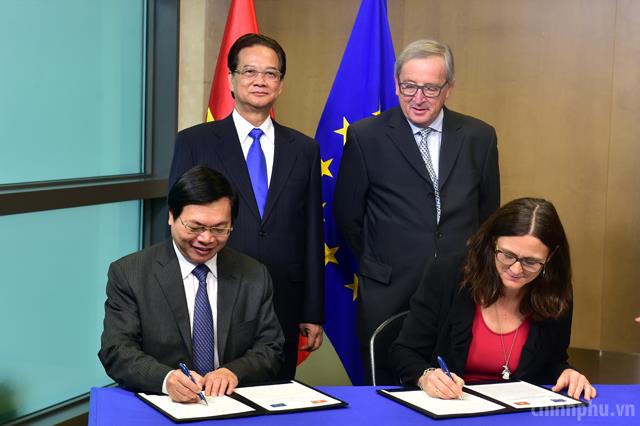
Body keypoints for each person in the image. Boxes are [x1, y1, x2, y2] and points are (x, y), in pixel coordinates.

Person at [333, 39, 500, 375]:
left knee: (452, 385)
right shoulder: (367, 137)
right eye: (409, 86)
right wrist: (383, 259)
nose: (418, 98)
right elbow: (348, 216)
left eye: (430, 88)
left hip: (459, 286)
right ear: (396, 85)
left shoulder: (479, 137)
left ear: (449, 88)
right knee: (386, 385)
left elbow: (488, 215)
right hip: (388, 288)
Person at [168, 33, 324, 380]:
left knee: (275, 393)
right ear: (231, 79)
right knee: (213, 390)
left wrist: (312, 310)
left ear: (280, 84)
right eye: (250, 71)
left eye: (271, 73)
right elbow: (177, 222)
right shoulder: (195, 141)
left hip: (282, 297)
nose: (260, 81)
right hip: (212, 290)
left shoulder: (304, 149)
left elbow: (313, 232)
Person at [99, 166, 284, 402]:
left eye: (219, 229)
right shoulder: (130, 274)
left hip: (229, 403)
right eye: (195, 227)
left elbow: (271, 348)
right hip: (161, 402)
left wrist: (233, 372)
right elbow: (117, 350)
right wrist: (166, 379)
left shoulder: (254, 274)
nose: (206, 238)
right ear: (171, 216)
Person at [390, 197, 596, 401]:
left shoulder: (555, 292)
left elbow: (553, 361)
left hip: (517, 411)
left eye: (531, 262)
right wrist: (426, 376)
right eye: (507, 255)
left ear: (550, 257)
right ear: (492, 242)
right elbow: (404, 351)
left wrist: (567, 372)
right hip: (452, 405)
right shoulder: (447, 274)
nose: (516, 269)